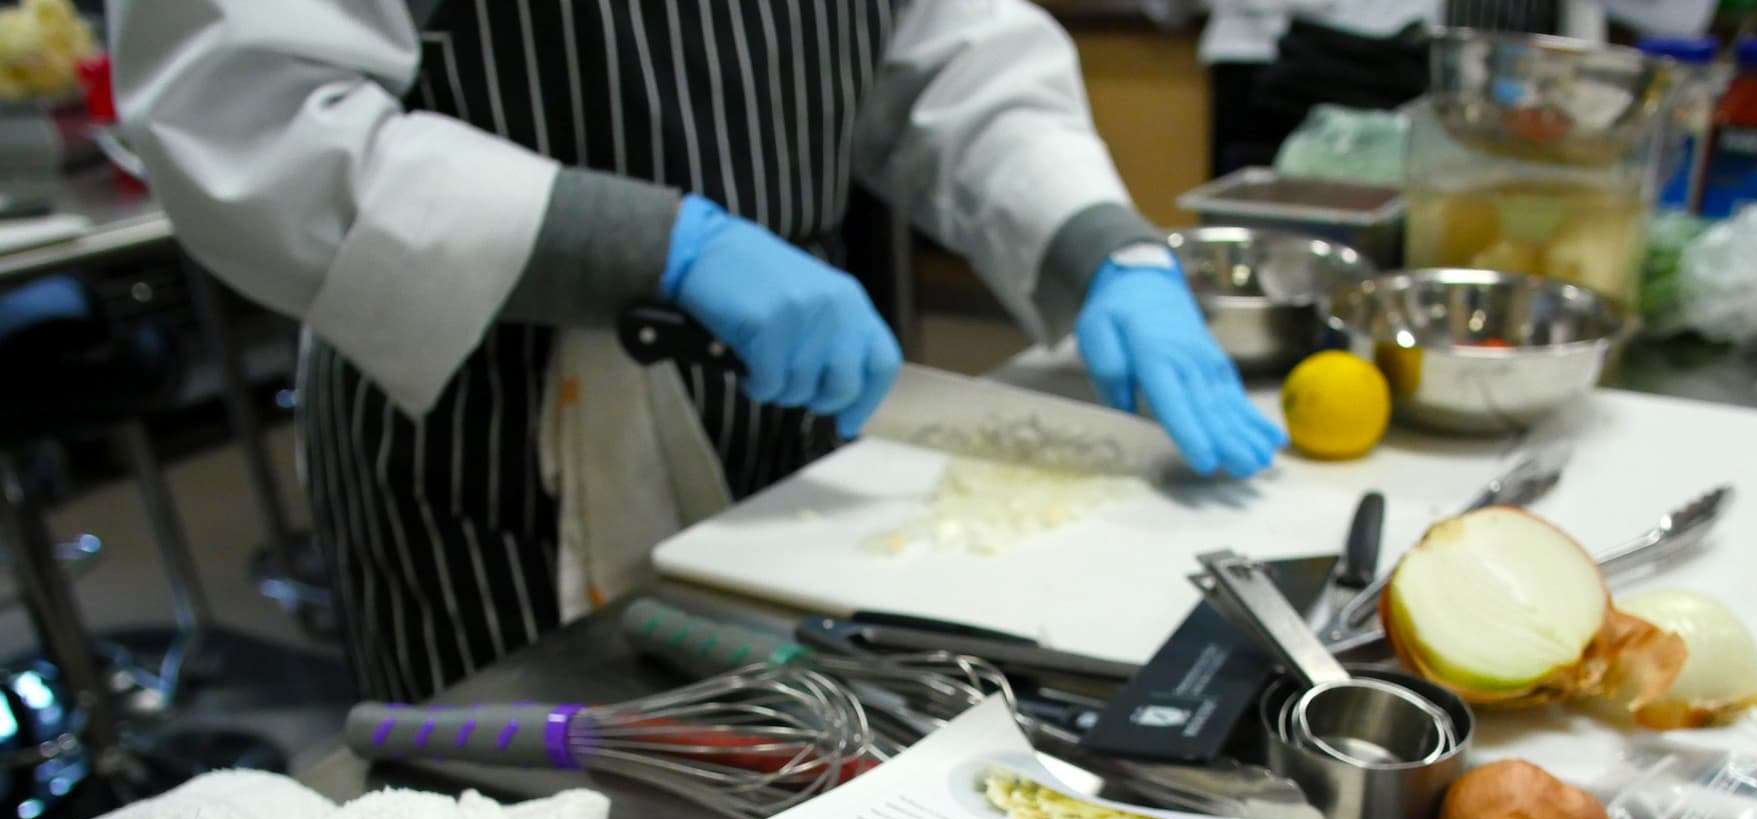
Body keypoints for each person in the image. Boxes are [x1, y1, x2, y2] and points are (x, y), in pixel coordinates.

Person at [109, 0, 1284, 700]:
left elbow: (941, 46)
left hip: (795, 382)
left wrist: (1099, 249)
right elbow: (246, 116)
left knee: (808, 756)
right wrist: (647, 244)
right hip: (491, 423)